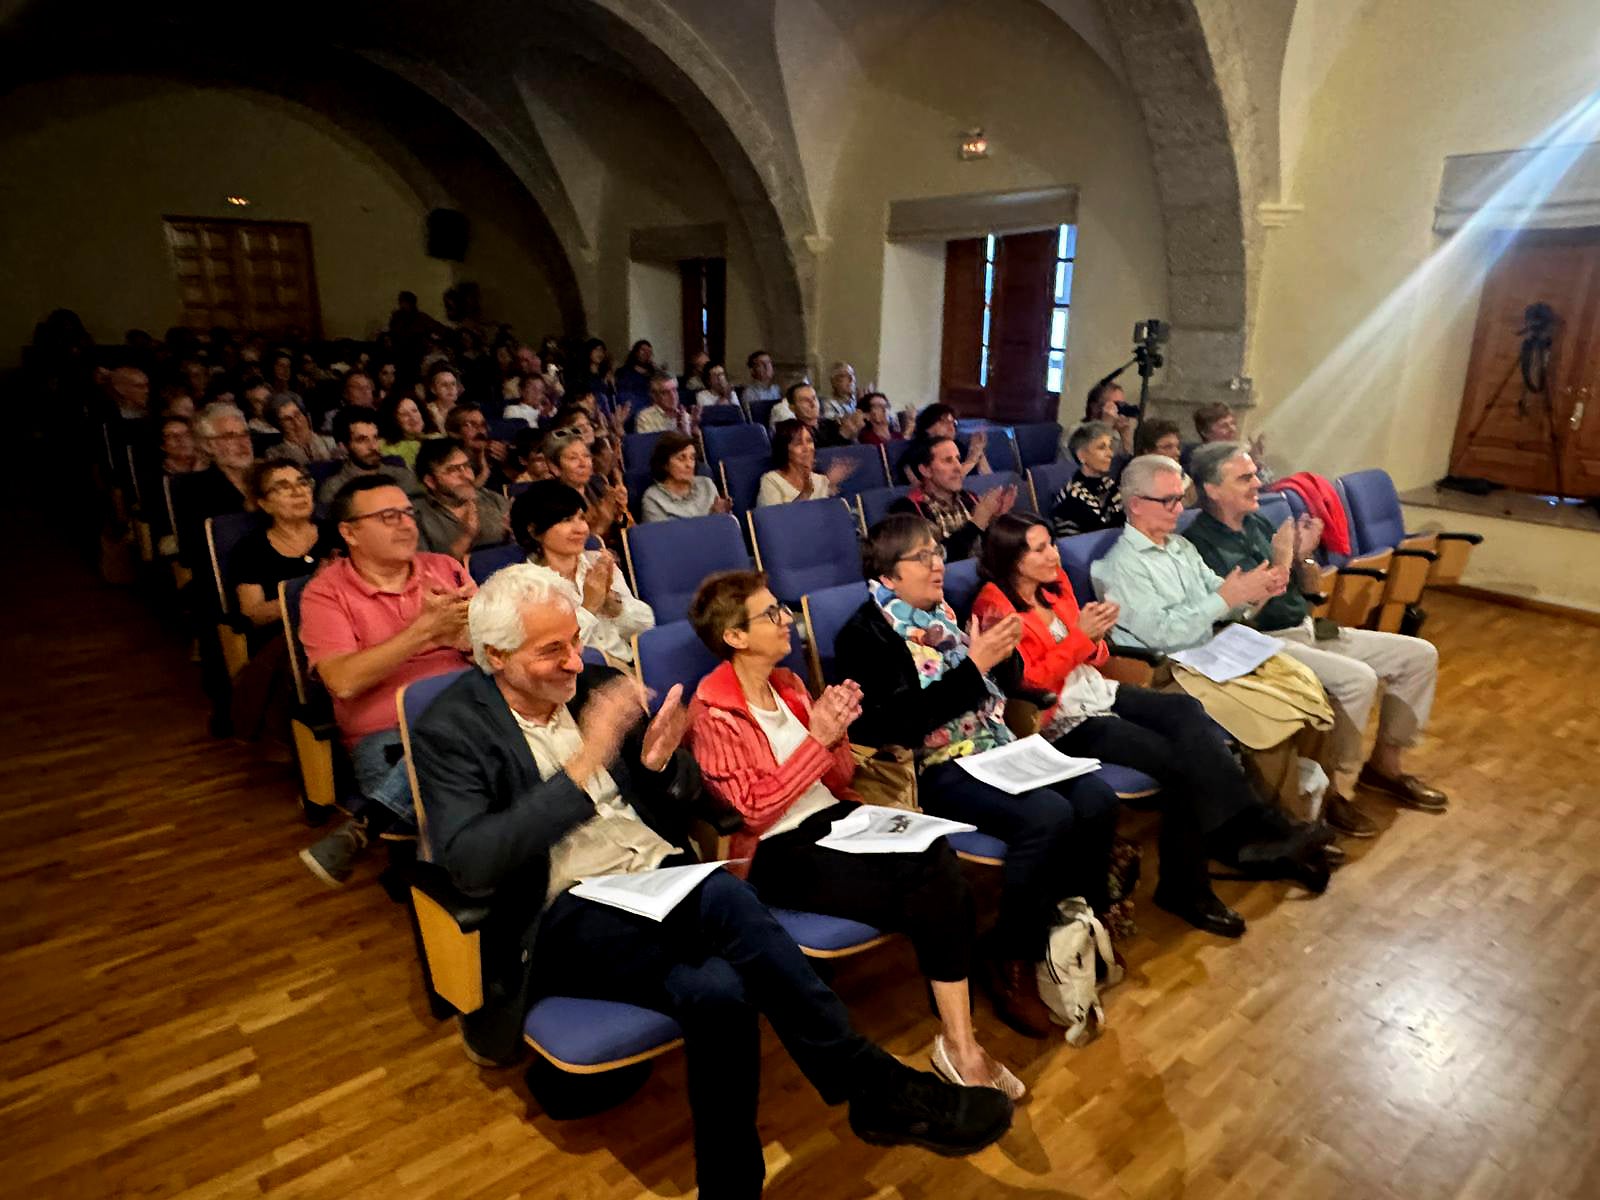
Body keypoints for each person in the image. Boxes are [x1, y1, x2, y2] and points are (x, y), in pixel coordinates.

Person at [408, 566, 1013, 1194]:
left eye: (573, 640)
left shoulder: (595, 685)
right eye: (550, 650)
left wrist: (661, 763)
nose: (573, 660)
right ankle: (872, 1086)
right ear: (496, 656)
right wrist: (587, 759)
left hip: (654, 881)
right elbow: (471, 863)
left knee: (718, 989)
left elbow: (688, 795)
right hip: (560, 912)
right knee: (724, 893)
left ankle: (732, 1185)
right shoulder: (453, 728)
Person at [686, 570, 1025, 1098]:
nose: (786, 620)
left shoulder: (791, 685)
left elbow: (839, 780)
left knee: (934, 856)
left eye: (782, 608)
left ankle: (959, 1042)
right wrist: (817, 739)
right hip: (777, 849)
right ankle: (961, 1046)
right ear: (734, 636)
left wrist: (836, 734)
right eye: (771, 614)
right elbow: (752, 811)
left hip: (837, 820)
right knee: (934, 887)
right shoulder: (712, 712)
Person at [973, 513, 1336, 936]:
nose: (1054, 553)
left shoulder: (1054, 588)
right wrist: (1082, 638)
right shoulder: (995, 605)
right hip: (1056, 721)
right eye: (1039, 548)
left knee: (1187, 711)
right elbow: (1027, 685)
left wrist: (1096, 636)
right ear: (1012, 559)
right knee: (1174, 762)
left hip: (1096, 691)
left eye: (1052, 542)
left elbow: (1094, 655)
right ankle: (1194, 881)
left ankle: (1256, 830)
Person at [835, 515, 1119, 1038]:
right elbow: (896, 727)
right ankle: (1010, 958)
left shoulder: (945, 612)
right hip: (934, 767)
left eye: (937, 552)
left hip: (996, 745)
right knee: (1049, 817)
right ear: (888, 575)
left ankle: (1078, 924)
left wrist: (998, 658)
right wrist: (975, 664)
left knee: (1098, 798)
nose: (937, 564)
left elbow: (1001, 692)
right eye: (920, 557)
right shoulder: (864, 634)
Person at [1183, 442, 1447, 834]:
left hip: (1305, 629)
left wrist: (1304, 556)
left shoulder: (1256, 523)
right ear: (1213, 489)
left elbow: (1306, 591)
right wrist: (1283, 561)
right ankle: (1333, 793)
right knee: (1359, 680)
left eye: (1254, 473)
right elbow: (1233, 617)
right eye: (1245, 477)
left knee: (1418, 654)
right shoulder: (1201, 543)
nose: (1258, 483)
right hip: (1261, 642)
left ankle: (1385, 766)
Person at [1090, 454, 1336, 815]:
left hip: (1211, 655)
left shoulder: (1180, 547)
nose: (1179, 509)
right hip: (1165, 672)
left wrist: (1257, 589)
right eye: (1169, 500)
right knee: (1268, 723)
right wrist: (1226, 597)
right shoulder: (1120, 566)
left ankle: (1321, 806)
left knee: (1311, 695)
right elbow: (1163, 633)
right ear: (1136, 505)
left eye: (1180, 497)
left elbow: (1223, 597)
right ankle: (1283, 828)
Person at [298, 476, 476, 885]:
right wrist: (424, 632)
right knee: (472, 776)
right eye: (388, 516)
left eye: (409, 514)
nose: (407, 524)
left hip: (469, 710)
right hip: (387, 733)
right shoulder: (325, 594)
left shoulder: (445, 569)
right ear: (350, 532)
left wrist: (470, 642)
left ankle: (368, 824)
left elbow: (497, 651)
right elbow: (342, 682)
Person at [228, 461, 337, 748]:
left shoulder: (336, 533)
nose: (298, 492)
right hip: (285, 636)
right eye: (283, 487)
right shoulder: (250, 549)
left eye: (302, 482)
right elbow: (253, 614)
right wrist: (311, 589)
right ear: (264, 503)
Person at [512, 480, 653, 662]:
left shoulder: (597, 562)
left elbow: (646, 627)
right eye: (566, 521)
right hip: (580, 678)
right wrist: (589, 606)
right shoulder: (525, 585)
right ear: (534, 531)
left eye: (581, 518)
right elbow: (557, 653)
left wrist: (612, 605)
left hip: (629, 664)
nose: (581, 529)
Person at [890, 437, 1015, 562]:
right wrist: (977, 523)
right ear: (926, 471)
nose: (958, 467)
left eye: (958, 459)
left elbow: (993, 552)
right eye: (948, 461)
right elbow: (937, 558)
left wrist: (996, 520)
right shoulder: (907, 510)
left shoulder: (970, 498)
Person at [413, 437, 512, 561]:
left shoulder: (492, 499)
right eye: (453, 470)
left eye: (466, 466)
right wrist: (466, 537)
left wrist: (516, 533)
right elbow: (427, 571)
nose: (466, 475)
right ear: (431, 481)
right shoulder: (417, 517)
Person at [317, 410, 418, 505]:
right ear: (343, 446)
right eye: (362, 440)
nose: (373, 447)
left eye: (376, 437)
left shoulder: (401, 475)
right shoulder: (335, 489)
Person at [1049, 421, 1124, 536]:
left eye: (1110, 447)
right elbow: (1100, 534)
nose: (1110, 454)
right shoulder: (1073, 495)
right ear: (1082, 456)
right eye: (1101, 448)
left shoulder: (1108, 484)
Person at [757, 419, 852, 506]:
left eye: (809, 441)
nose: (807, 448)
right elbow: (774, 521)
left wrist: (832, 486)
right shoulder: (771, 481)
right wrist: (805, 494)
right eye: (798, 443)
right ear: (784, 450)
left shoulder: (821, 480)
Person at [640, 431, 731, 522]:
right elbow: (663, 535)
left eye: (692, 458)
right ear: (665, 464)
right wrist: (712, 518)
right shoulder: (653, 499)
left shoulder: (707, 485)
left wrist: (720, 516)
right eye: (681, 458)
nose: (689, 465)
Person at [1194, 402, 1273, 484]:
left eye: (1233, 423)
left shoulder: (1239, 452)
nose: (1232, 429)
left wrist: (1255, 460)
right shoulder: (1204, 461)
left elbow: (1269, 484)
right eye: (1224, 426)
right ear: (1205, 432)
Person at [906, 404, 989, 480]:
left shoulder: (958, 445)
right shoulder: (918, 451)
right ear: (928, 428)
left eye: (953, 423)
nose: (951, 428)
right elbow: (945, 482)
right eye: (945, 422)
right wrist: (972, 459)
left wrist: (979, 451)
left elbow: (989, 477)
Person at [444, 403, 513, 492]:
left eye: (483, 424)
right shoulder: (450, 465)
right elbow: (458, 498)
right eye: (470, 425)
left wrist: (506, 464)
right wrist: (484, 473)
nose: (481, 430)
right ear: (454, 433)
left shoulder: (496, 457)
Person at [265, 395, 340, 466]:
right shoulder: (275, 454)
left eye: (298, 414)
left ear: (305, 415)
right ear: (278, 425)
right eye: (287, 420)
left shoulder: (329, 442)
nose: (297, 423)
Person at [376, 392, 438, 470]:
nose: (413, 417)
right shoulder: (384, 447)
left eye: (415, 411)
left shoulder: (437, 438)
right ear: (393, 420)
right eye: (404, 414)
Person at [633, 372, 694, 436]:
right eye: (665, 392)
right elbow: (648, 444)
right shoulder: (645, 417)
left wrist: (690, 429)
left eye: (674, 390)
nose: (673, 396)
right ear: (655, 397)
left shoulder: (685, 416)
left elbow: (693, 444)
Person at [1084, 380, 1136, 456]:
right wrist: (1106, 425)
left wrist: (1125, 434)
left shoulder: (1115, 436)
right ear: (1095, 407)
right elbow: (1094, 459)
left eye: (1122, 404)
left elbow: (1126, 464)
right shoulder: (1078, 432)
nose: (1119, 409)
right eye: (1116, 405)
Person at [425, 365, 463, 432]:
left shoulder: (463, 412)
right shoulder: (426, 411)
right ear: (433, 389)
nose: (450, 388)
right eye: (444, 384)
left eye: (453, 384)